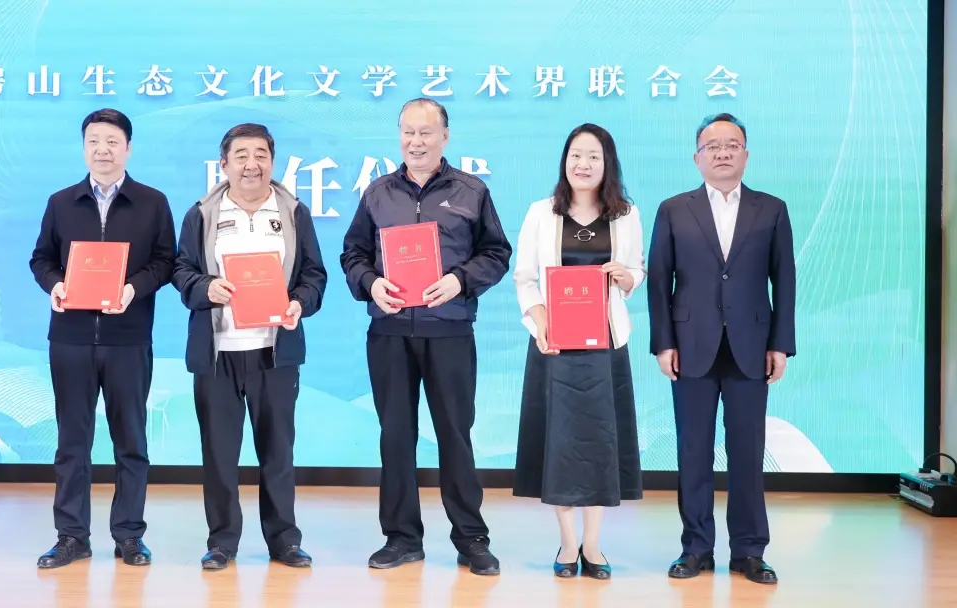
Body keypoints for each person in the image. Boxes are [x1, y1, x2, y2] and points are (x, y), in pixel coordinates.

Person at [340, 98, 513, 575]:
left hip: (450, 330)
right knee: (395, 435)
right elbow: (353, 254)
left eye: (425, 132)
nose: (415, 142)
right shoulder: (378, 193)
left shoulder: (471, 191)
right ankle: (401, 538)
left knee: (455, 434)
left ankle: (471, 539)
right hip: (390, 332)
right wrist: (371, 284)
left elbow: (497, 253)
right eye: (408, 132)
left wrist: (460, 280)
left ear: (445, 137)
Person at [647, 113, 795, 585]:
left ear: (746, 154)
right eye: (713, 146)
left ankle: (749, 551)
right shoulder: (674, 209)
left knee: (748, 452)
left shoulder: (772, 209)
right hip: (691, 346)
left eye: (732, 144)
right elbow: (659, 281)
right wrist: (663, 342)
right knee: (693, 451)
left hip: (752, 346)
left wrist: (781, 344)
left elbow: (784, 280)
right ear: (698, 157)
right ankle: (696, 548)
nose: (723, 152)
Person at [171, 123, 327, 571]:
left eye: (261, 155)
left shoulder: (293, 212)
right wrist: (206, 287)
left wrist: (299, 303)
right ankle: (222, 542)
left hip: (275, 351)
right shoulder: (202, 214)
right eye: (241, 155)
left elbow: (314, 275)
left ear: (272, 162)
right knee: (219, 454)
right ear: (224, 164)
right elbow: (181, 270)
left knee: (278, 453)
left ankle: (284, 541)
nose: (251, 164)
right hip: (217, 352)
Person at [29, 108, 176, 569]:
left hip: (128, 338)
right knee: (72, 441)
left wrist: (133, 289)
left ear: (128, 148)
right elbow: (41, 259)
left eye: (112, 141)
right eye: (93, 141)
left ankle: (129, 535)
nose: (102, 150)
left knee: (130, 440)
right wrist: (55, 284)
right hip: (70, 338)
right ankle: (71, 536)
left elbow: (166, 262)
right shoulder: (61, 202)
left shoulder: (152, 202)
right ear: (83, 148)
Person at [511, 124, 645, 579]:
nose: (582, 164)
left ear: (607, 164)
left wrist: (626, 277)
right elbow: (525, 278)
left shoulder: (626, 214)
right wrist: (541, 324)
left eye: (593, 156)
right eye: (575, 155)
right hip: (555, 347)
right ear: (564, 161)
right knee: (562, 446)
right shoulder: (541, 212)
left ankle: (594, 544)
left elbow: (637, 272)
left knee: (600, 446)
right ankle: (568, 544)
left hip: (605, 347)